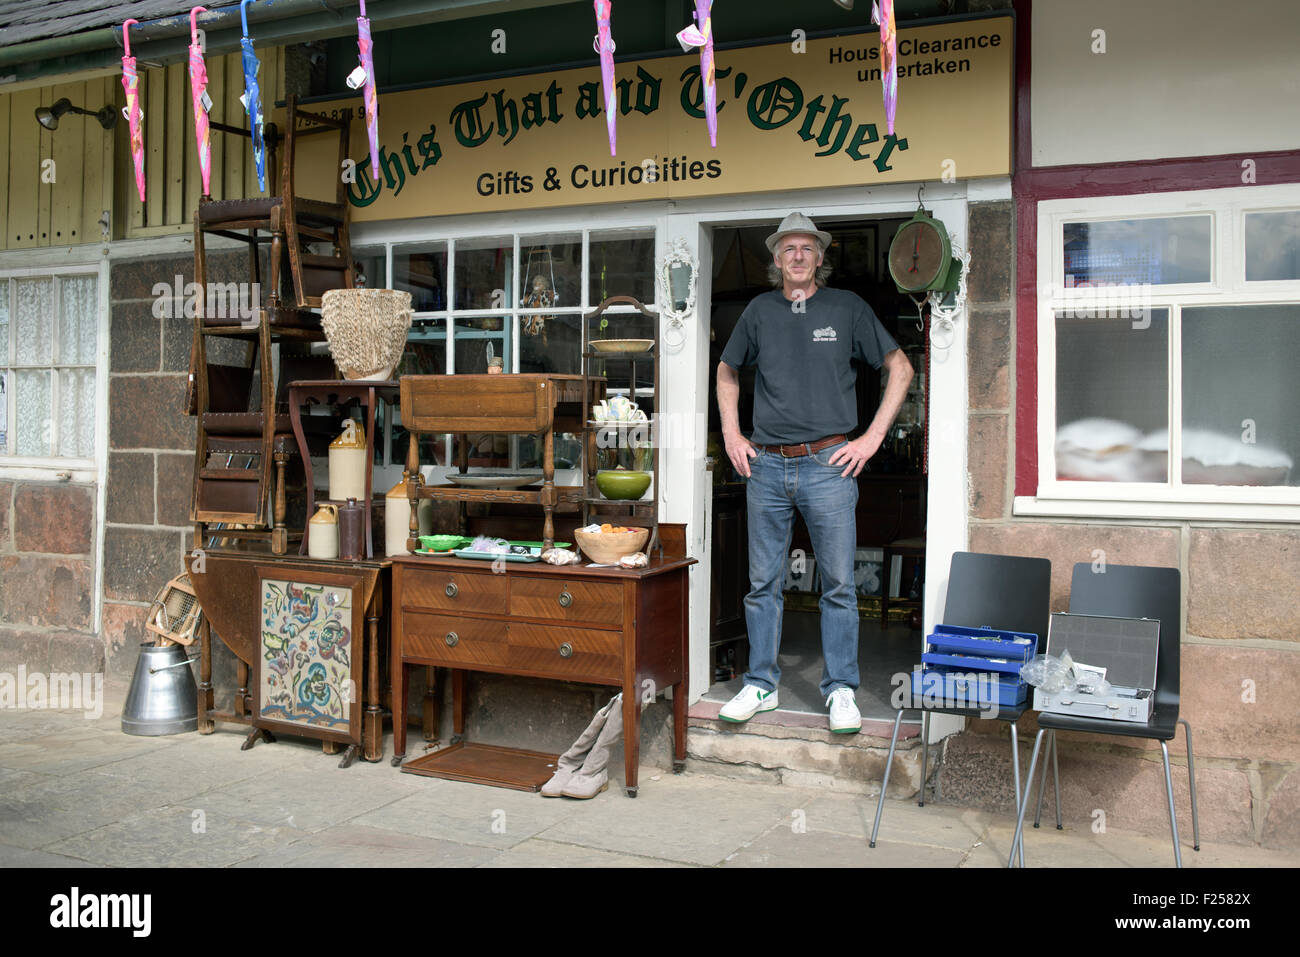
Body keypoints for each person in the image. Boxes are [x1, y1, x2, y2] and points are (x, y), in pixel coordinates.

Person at [716, 212, 914, 733]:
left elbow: (900, 367)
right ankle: (760, 685)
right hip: (768, 467)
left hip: (830, 465)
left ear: (820, 258)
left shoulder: (846, 308)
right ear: (776, 259)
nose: (798, 256)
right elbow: (727, 369)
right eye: (788, 249)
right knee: (763, 584)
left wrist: (871, 439)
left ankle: (841, 690)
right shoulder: (759, 311)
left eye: (807, 248)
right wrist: (733, 435)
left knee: (839, 585)